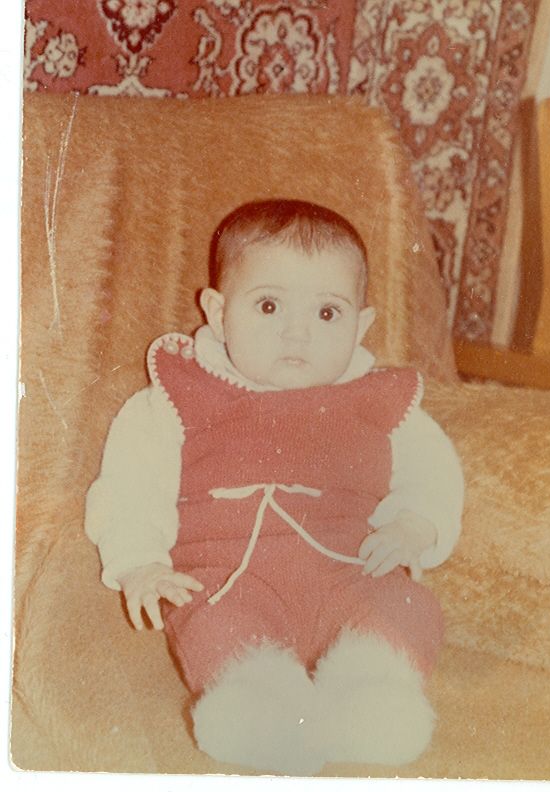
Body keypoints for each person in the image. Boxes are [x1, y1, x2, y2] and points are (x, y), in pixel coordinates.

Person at [85, 199, 464, 776]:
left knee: (406, 606)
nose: (297, 332)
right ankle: (255, 704)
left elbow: (434, 471)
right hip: (231, 578)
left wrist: (416, 524)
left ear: (361, 325)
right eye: (268, 306)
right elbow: (131, 481)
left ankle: (372, 692)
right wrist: (138, 560)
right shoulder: (180, 395)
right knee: (213, 624)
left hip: (354, 569)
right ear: (218, 314)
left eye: (328, 313)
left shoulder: (381, 402)